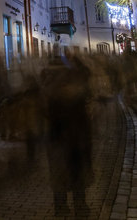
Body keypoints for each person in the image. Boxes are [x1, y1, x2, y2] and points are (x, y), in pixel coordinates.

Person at [41, 53, 93, 217]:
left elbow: (44, 110)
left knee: (62, 170)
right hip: (70, 133)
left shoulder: (49, 82)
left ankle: (64, 205)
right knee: (72, 170)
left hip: (62, 134)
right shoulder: (73, 79)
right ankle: (76, 204)